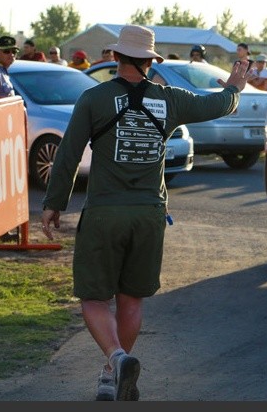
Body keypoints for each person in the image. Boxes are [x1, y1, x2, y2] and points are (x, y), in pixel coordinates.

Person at [40, 24, 255, 402]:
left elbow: (69, 154)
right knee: (131, 298)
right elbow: (218, 104)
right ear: (150, 62)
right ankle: (112, 376)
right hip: (149, 215)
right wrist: (235, 86)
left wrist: (54, 203)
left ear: (116, 57)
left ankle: (116, 358)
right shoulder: (170, 98)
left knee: (93, 298)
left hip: (105, 213)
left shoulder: (93, 98)